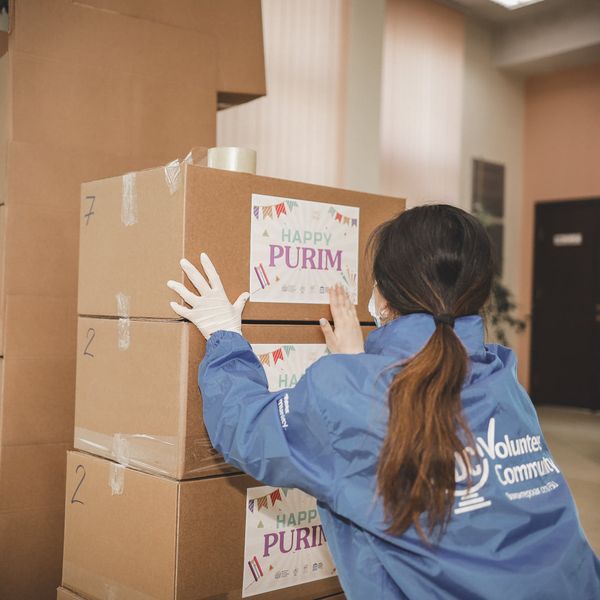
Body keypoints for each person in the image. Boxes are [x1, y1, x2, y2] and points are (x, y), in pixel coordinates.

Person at [167, 204, 600, 599]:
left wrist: (224, 335)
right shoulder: (502, 379)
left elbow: (244, 427)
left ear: (386, 297)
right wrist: (359, 368)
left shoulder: (350, 394)